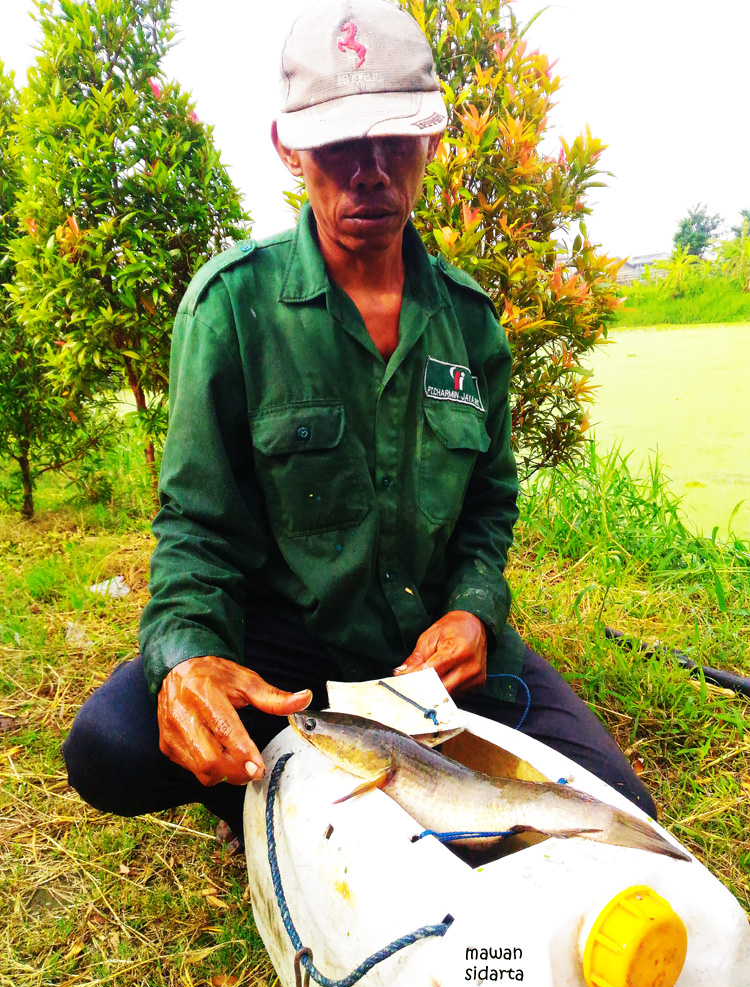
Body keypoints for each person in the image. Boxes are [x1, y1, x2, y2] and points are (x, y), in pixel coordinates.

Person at [63, 0, 655, 848]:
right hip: (290, 657)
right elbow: (198, 527)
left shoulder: (470, 324)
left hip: (428, 658)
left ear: (433, 142)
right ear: (289, 146)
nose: (368, 170)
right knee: (111, 745)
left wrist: (477, 612)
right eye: (339, 144)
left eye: (394, 139)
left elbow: (489, 505)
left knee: (613, 810)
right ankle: (285, 808)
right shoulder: (231, 308)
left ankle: (394, 797)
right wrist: (187, 655)